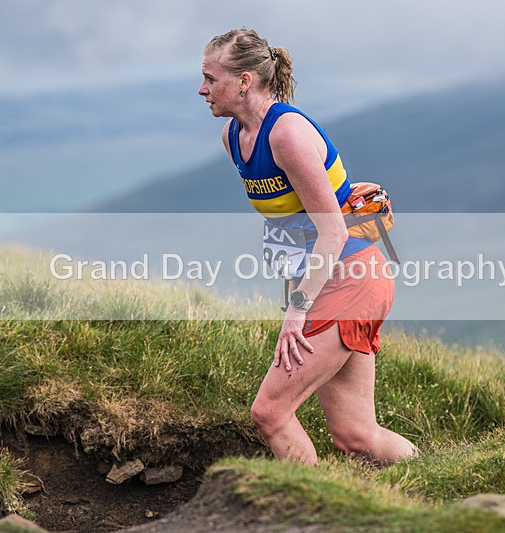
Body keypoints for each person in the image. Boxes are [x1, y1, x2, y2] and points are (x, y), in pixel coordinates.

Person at [198, 28, 417, 466]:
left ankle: (306, 501)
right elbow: (293, 222)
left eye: (210, 78)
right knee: (357, 435)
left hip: (352, 278)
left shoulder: (287, 135)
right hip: (323, 282)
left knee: (270, 413)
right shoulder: (233, 137)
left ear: (244, 81)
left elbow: (333, 232)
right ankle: (434, 477)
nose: (201, 89)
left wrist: (296, 312)